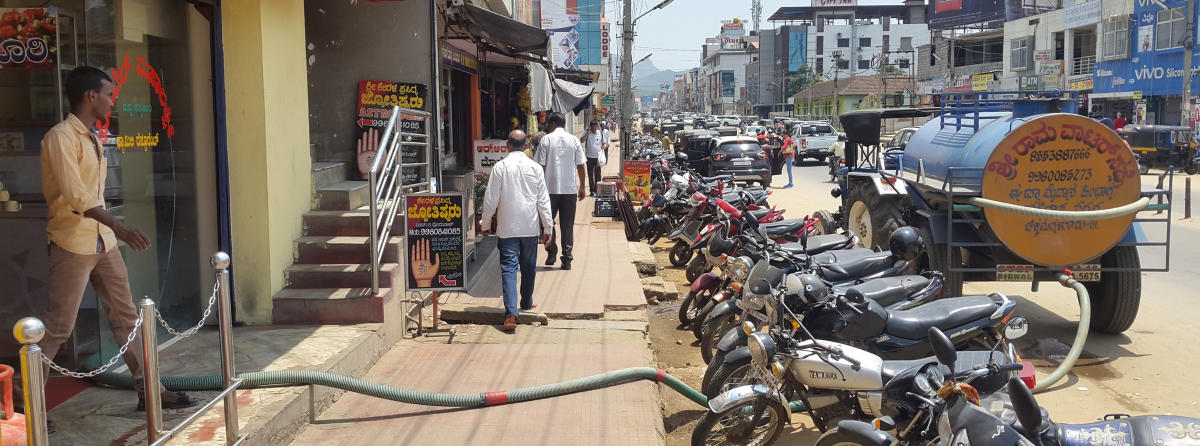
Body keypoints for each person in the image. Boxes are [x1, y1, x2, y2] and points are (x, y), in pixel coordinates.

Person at [33, 66, 196, 414]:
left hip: (102, 241)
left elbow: (93, 194)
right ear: (91, 96)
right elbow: (77, 196)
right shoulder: (61, 137)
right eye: (109, 94)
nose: (113, 101)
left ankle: (150, 391)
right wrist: (120, 228)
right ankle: (25, 405)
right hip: (71, 242)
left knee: (127, 317)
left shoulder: (93, 136)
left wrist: (113, 231)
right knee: (59, 326)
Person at [479, 130, 554, 332]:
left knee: (509, 269)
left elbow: (490, 199)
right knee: (528, 266)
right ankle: (526, 301)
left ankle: (511, 313)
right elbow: (543, 200)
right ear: (525, 146)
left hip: (507, 228)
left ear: (507, 145)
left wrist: (485, 224)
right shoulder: (535, 168)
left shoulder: (500, 167)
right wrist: (548, 227)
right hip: (529, 227)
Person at [533, 112, 587, 269]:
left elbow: (539, 166)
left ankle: (552, 252)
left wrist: (536, 187)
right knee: (567, 225)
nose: (548, 127)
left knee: (547, 222)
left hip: (548, 190)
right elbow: (581, 165)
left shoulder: (546, 140)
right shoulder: (574, 140)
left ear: (553, 123)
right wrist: (582, 187)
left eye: (549, 124)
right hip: (569, 190)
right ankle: (567, 259)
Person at [581, 122, 605, 196]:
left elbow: (604, 143)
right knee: (590, 174)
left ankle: (597, 190)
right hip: (589, 157)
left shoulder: (600, 133)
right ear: (590, 127)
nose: (594, 129)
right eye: (593, 127)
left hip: (598, 157)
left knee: (598, 175)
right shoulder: (586, 132)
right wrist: (587, 133)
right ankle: (592, 190)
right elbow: (581, 140)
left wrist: (604, 146)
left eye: (595, 127)